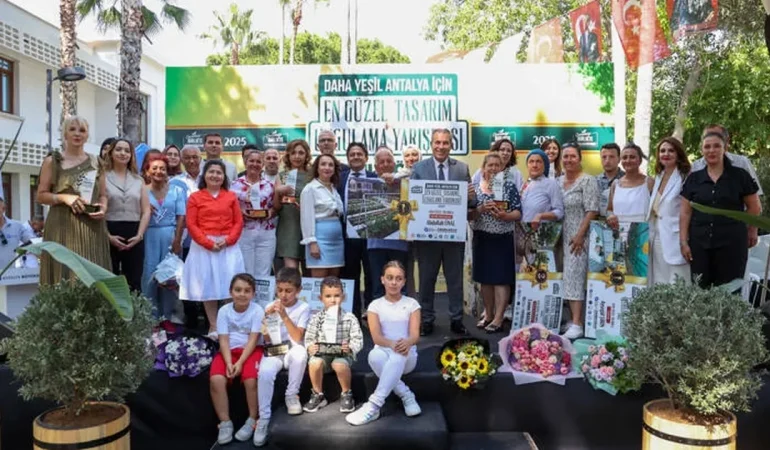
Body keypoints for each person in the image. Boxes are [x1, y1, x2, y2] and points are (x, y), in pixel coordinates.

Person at [410, 128, 475, 336]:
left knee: (455, 280)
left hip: (453, 236)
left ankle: (456, 320)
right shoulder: (419, 168)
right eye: (437, 142)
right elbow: (412, 201)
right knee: (426, 280)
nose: (441, 146)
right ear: (431, 144)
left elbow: (471, 202)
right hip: (427, 236)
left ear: (451, 145)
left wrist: (470, 196)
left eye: (445, 143)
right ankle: (426, 320)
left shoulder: (462, 169)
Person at [680, 131, 761, 288]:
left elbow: (754, 207)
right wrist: (683, 242)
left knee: (730, 292)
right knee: (700, 291)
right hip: (699, 245)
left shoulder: (740, 176)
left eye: (717, 146)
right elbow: (685, 212)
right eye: (707, 147)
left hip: (732, 245)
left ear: (725, 148)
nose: (712, 150)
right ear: (702, 150)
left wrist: (749, 230)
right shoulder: (694, 178)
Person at [36, 116, 111, 284]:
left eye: (82, 130)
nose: (77, 134)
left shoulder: (97, 162)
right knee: (63, 273)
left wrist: (103, 208)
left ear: (87, 135)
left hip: (91, 226)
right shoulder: (52, 161)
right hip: (61, 225)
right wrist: (64, 197)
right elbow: (41, 195)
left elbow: (103, 195)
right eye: (72, 129)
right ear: (65, 134)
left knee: (92, 274)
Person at [346, 261, 421, 426]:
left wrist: (407, 342)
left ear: (404, 282)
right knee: (373, 355)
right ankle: (406, 395)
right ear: (382, 279)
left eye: (398, 278)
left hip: (407, 355)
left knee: (399, 354)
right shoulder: (375, 306)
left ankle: (374, 404)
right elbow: (377, 338)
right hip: (384, 351)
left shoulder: (412, 304)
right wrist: (392, 344)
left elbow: (415, 335)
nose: (394, 282)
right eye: (390, 278)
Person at [179, 160, 245, 339]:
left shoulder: (231, 196)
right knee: (208, 286)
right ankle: (214, 326)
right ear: (204, 175)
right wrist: (208, 243)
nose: (215, 175)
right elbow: (191, 224)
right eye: (211, 172)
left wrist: (228, 240)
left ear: (224, 177)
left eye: (219, 172)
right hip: (204, 247)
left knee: (230, 284)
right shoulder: (195, 197)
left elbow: (238, 222)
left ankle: (230, 323)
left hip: (227, 247)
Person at [254, 267, 310, 447]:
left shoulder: (303, 307)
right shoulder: (269, 306)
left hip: (292, 348)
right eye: (280, 290)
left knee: (300, 353)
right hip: (276, 350)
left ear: (298, 290)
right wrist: (266, 320)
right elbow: (267, 339)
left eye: (288, 291)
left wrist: (284, 316)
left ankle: (291, 395)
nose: (283, 295)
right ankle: (263, 418)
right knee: (265, 372)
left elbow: (297, 337)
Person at [210, 273, 265, 445]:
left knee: (250, 380)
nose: (242, 294)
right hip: (228, 351)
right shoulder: (224, 311)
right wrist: (228, 362)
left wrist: (240, 362)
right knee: (216, 379)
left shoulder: (257, 310)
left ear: (253, 294)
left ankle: (252, 419)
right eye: (238, 290)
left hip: (250, 351)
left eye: (247, 291)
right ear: (230, 292)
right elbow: (223, 339)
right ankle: (225, 422)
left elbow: (253, 339)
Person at [470, 153, 522, 333]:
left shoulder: (509, 187)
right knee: (485, 279)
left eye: (497, 165)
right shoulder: (475, 188)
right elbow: (468, 215)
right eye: (490, 165)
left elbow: (518, 213)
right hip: (482, 238)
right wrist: (480, 209)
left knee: (501, 279)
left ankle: (499, 317)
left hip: (502, 238)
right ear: (483, 168)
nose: (493, 168)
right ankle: (489, 314)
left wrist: (505, 216)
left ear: (502, 168)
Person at [303, 276, 364, 413]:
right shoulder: (316, 318)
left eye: (337, 296)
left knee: (339, 364)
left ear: (343, 297)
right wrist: (310, 347)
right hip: (323, 356)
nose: (333, 300)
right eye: (328, 296)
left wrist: (350, 347)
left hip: (342, 356)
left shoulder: (349, 318)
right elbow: (309, 337)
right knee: (314, 363)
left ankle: (346, 394)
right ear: (320, 298)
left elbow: (358, 339)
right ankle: (318, 394)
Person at [558, 144, 599, 340]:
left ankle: (577, 323)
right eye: (565, 156)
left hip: (579, 237)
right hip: (560, 237)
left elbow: (592, 210)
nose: (568, 160)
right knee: (566, 278)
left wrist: (580, 235)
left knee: (575, 277)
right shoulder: (557, 181)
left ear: (580, 158)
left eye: (572, 156)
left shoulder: (588, 180)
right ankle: (572, 319)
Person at [141, 154, 186, 322]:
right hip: (149, 237)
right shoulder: (142, 191)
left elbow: (181, 217)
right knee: (149, 277)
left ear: (167, 172)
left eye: (162, 169)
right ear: (147, 171)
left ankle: (167, 318)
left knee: (169, 278)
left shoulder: (177, 191)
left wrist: (177, 240)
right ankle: (150, 319)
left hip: (170, 237)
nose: (158, 171)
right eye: (154, 168)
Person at [103, 138, 151, 293]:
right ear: (111, 153)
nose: (123, 153)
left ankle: (134, 309)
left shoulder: (138, 180)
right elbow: (97, 208)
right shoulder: (102, 177)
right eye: (118, 149)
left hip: (134, 232)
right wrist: (108, 236)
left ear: (131, 155)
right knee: (109, 279)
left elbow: (146, 210)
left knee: (134, 281)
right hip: (109, 231)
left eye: (127, 150)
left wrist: (139, 235)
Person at [338, 142, 376, 317]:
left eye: (359, 154)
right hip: (347, 235)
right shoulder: (339, 178)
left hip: (371, 234)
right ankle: (352, 314)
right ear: (347, 158)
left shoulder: (375, 177)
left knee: (371, 275)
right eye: (352, 154)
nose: (355, 157)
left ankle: (370, 313)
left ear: (366, 158)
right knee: (349, 276)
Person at [646, 137, 691, 286]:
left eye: (671, 150)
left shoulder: (685, 176)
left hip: (676, 237)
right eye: (662, 151)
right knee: (659, 281)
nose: (666, 154)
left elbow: (688, 210)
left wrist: (684, 241)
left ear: (678, 154)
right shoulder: (659, 176)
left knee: (678, 282)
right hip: (656, 235)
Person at [368, 147, 409, 301]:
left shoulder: (405, 182)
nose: (385, 164)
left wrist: (396, 178)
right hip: (375, 244)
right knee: (378, 285)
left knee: (399, 285)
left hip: (399, 243)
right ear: (376, 166)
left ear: (394, 164)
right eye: (381, 162)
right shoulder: (367, 182)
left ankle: (401, 314)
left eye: (389, 161)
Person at [232, 151, 279, 278]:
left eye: (258, 161)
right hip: (244, 232)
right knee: (245, 271)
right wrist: (240, 212)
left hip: (266, 233)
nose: (255, 164)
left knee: (264, 272)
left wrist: (271, 212)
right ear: (245, 162)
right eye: (251, 161)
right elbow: (229, 208)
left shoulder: (270, 186)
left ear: (263, 164)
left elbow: (275, 208)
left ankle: (262, 292)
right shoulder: (234, 185)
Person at [300, 154, 345, 277]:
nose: (327, 167)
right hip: (319, 240)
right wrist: (312, 243)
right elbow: (306, 218)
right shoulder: (310, 189)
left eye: (330, 165)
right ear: (317, 168)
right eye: (323, 164)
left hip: (337, 240)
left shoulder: (334, 188)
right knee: (319, 282)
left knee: (334, 281)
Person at [691, 125, 763, 196]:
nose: (712, 139)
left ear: (726, 142)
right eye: (707, 136)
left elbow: (756, 195)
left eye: (717, 137)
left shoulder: (742, 163)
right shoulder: (695, 167)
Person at [275, 140, 312, 270]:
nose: (297, 156)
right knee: (290, 273)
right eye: (293, 153)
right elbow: (276, 207)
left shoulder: (313, 176)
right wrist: (278, 192)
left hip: (309, 229)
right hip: (288, 228)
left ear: (306, 156)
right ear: (288, 156)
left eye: (301, 153)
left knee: (310, 275)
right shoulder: (282, 176)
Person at [606, 143, 653, 227]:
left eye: (632, 157)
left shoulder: (649, 183)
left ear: (640, 160)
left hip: (642, 233)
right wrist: (610, 216)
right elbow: (610, 209)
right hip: (619, 232)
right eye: (624, 157)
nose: (628, 161)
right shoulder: (615, 184)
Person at [596, 143, 624, 217]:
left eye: (611, 157)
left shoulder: (627, 180)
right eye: (604, 157)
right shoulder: (594, 181)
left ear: (619, 159)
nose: (607, 161)